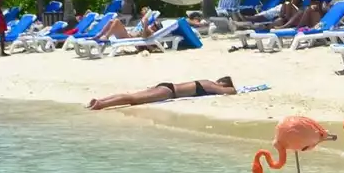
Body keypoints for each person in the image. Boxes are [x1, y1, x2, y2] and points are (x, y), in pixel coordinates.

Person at [89, 76, 238, 109]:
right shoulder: (210, 85)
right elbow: (230, 92)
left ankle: (101, 100)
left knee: (133, 96)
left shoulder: (206, 81)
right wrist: (229, 87)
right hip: (168, 92)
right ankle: (101, 104)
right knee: (133, 99)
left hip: (166, 86)